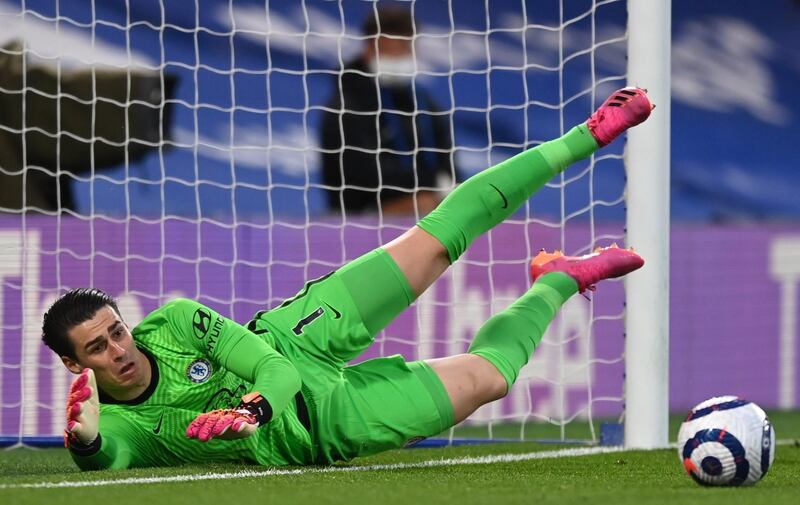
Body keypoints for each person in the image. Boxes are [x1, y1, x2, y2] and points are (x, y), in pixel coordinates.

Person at [44, 87, 653, 470]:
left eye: (116, 331)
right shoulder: (121, 423)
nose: (119, 349)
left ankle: (586, 134)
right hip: (328, 426)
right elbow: (113, 456)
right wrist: (88, 445)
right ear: (77, 366)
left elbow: (273, 368)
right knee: (490, 379)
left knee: (434, 243)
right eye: (97, 347)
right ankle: (557, 280)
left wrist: (253, 409)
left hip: (295, 338)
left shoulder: (174, 322)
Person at [320, 6, 460, 216]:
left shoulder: (424, 102)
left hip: (429, 204)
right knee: (426, 206)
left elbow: (448, 164)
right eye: (398, 47)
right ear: (370, 48)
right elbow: (361, 173)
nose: (406, 54)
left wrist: (448, 187)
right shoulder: (347, 103)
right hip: (359, 217)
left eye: (409, 47)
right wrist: (432, 182)